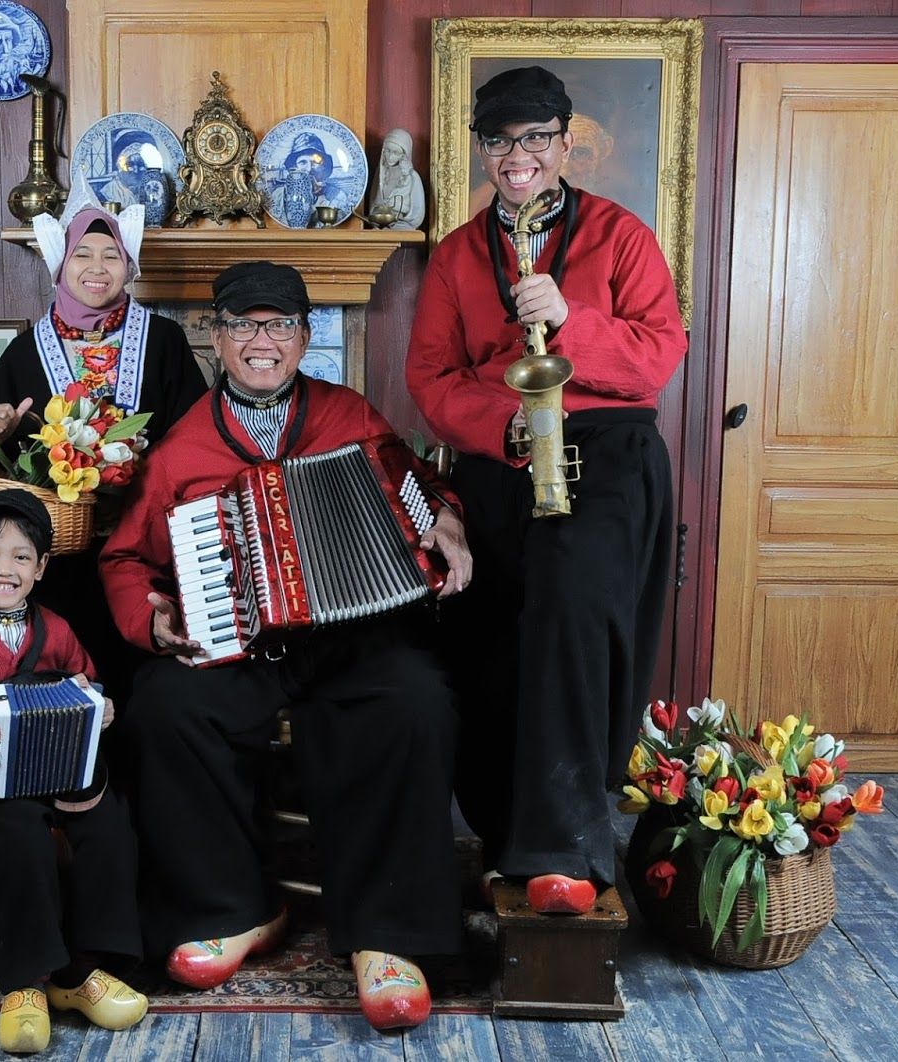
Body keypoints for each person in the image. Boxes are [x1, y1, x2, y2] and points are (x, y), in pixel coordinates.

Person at [99, 261, 474, 1031]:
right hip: (241, 644)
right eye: (242, 325)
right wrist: (154, 618)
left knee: (417, 700)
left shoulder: (352, 416)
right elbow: (124, 560)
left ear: (305, 337)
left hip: (351, 637)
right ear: (217, 339)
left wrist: (448, 521)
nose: (260, 340)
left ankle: (387, 934)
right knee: (163, 708)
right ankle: (233, 907)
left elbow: (419, 495)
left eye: (277, 325)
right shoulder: (179, 448)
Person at [404, 66, 687, 916]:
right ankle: (503, 835)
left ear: (565, 144)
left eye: (534, 138)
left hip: (607, 453)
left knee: (568, 611)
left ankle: (568, 851)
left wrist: (571, 319)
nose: (516, 155)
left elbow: (659, 353)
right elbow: (430, 377)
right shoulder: (456, 255)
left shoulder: (622, 236)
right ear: (483, 152)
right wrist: (507, 428)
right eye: (499, 140)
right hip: (504, 453)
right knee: (489, 637)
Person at [0, 489, 148, 1055]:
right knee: (22, 838)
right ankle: (27, 983)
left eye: (22, 557)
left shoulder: (58, 630)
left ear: (41, 568)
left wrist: (100, 703)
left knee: (110, 825)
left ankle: (86, 970)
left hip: (56, 772)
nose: (5, 569)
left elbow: (85, 683)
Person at [0, 201, 208, 707]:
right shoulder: (30, 347)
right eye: (82, 255)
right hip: (59, 555)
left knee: (147, 682)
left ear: (129, 265)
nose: (97, 269)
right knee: (65, 676)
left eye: (110, 255)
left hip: (146, 546)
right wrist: (0, 426)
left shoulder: (163, 340)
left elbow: (194, 434)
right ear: (60, 265)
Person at [367, 128, 425, 231]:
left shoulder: (412, 177)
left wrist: (398, 208)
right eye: (388, 151)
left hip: (403, 227)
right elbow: (374, 205)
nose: (390, 156)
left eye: (395, 153)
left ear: (404, 154)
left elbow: (417, 213)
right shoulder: (380, 175)